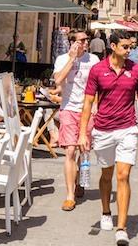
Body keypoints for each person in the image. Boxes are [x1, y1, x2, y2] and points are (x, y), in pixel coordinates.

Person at [79, 29, 138, 246]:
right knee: (106, 175)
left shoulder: (136, 70)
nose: (129, 51)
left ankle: (122, 228)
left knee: (123, 175)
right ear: (112, 46)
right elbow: (88, 103)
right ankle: (105, 210)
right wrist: (83, 132)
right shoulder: (97, 70)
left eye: (131, 47)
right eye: (125, 47)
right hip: (103, 129)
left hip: (127, 129)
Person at [53, 29, 98, 211]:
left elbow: (99, 85)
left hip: (87, 110)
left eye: (86, 40)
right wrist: (72, 59)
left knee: (83, 149)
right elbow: (58, 81)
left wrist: (96, 104)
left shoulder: (93, 60)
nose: (86, 43)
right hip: (69, 108)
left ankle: (78, 180)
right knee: (70, 151)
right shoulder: (62, 59)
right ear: (72, 42)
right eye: (81, 40)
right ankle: (70, 195)